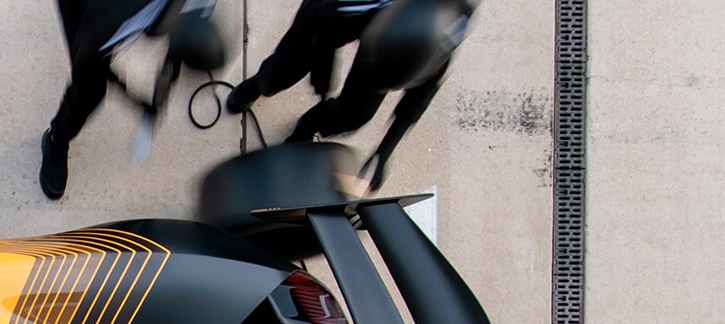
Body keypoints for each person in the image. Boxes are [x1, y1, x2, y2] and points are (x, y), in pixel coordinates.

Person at [224, 0, 473, 190]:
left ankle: (308, 126)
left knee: (356, 114)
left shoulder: (448, 29)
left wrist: (384, 151)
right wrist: (323, 73)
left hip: (386, 28)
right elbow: (317, 18)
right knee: (286, 68)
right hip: (333, 11)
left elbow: (419, 98)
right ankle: (261, 83)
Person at [39, 0, 226, 199]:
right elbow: (89, 59)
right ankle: (56, 138)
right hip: (96, 19)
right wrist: (140, 103)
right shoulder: (113, 21)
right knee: (89, 90)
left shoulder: (201, 3)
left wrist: (162, 90)